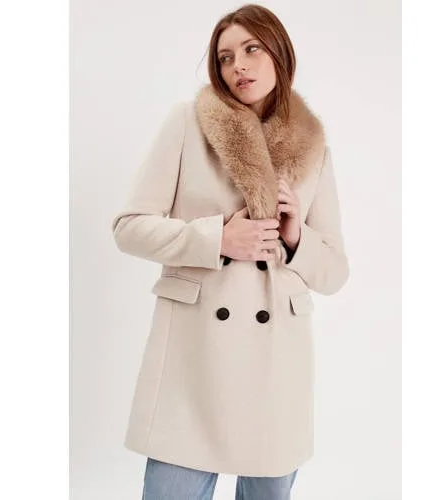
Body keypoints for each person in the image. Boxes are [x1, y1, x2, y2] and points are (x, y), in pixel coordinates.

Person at [111, 4, 349, 499]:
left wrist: (295, 239)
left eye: (251, 49)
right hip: (193, 365)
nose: (237, 65)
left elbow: (334, 272)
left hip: (275, 369)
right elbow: (128, 228)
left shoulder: (314, 147)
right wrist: (217, 238)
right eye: (224, 57)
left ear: (279, 54)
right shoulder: (187, 123)